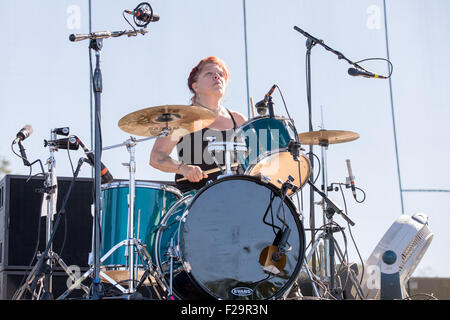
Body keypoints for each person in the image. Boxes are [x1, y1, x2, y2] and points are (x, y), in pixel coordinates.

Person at [150, 56, 247, 193]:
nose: (217, 77)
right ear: (195, 86)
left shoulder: (238, 120)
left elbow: (254, 159)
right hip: (196, 201)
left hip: (236, 196)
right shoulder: (182, 119)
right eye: (209, 73)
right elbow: (156, 157)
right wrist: (183, 168)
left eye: (221, 74)